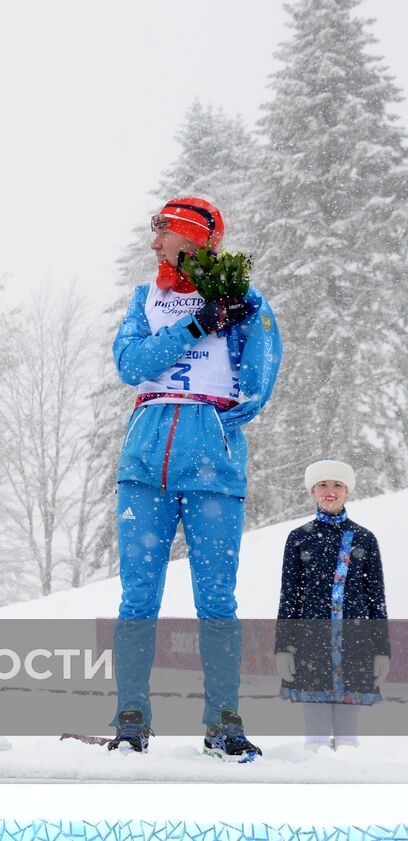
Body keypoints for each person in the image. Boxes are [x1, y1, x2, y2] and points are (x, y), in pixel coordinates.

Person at [108, 197, 282, 758]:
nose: (154, 245)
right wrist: (192, 327)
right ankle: (131, 719)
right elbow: (131, 366)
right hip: (144, 469)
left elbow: (257, 382)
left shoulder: (247, 303)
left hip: (213, 471)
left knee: (217, 600)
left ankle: (223, 722)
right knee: (138, 597)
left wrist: (210, 420)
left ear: (193, 238)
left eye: (163, 234)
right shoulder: (146, 299)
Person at [275, 459, 390, 751]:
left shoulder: (365, 538)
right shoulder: (299, 538)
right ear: (312, 491)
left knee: (348, 735)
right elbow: (289, 596)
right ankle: (314, 773)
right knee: (315, 734)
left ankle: (346, 773)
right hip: (311, 642)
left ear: (347, 490)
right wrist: (283, 646)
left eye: (337, 484)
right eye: (323, 484)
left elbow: (376, 598)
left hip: (356, 642)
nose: (330, 490)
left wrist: (381, 649)